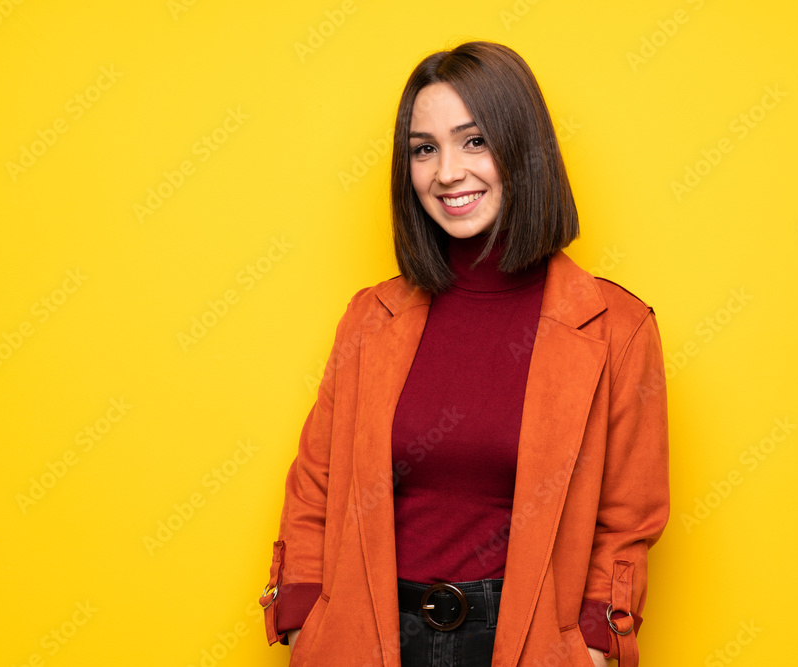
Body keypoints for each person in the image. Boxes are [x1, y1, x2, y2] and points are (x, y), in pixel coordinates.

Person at [259, 41, 670, 666]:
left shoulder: (617, 327)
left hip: (527, 643)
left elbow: (628, 517)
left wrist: (593, 643)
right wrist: (302, 615)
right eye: (425, 148)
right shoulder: (371, 319)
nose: (447, 171)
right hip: (368, 640)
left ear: (524, 150)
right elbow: (316, 486)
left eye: (474, 141)